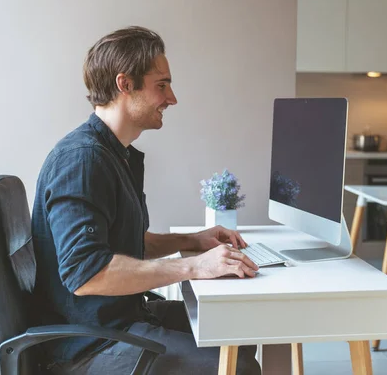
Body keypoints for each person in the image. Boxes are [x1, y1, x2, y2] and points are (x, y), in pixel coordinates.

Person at [31, 26, 261, 374]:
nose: (172, 98)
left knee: (238, 330)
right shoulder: (83, 160)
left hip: (119, 319)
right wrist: (195, 267)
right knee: (237, 366)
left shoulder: (116, 154)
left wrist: (192, 241)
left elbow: (123, 245)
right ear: (125, 85)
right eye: (162, 85)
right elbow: (86, 274)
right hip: (87, 346)